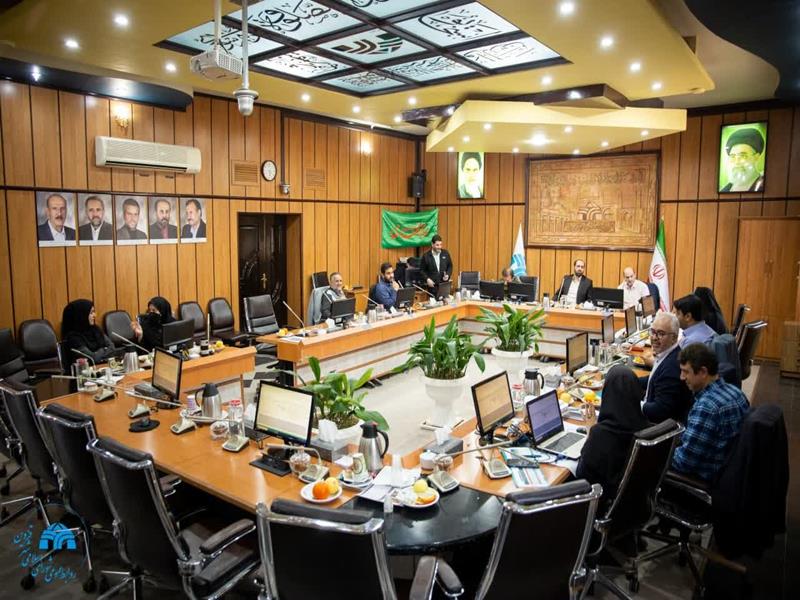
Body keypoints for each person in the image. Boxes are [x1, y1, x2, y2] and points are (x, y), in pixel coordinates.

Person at [671, 343, 749, 481]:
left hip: (706, 477)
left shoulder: (707, 407)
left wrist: (659, 453)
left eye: (686, 372)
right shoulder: (736, 392)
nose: (681, 377)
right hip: (730, 471)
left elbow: (683, 462)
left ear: (703, 372)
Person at [576, 365, 650, 502]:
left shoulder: (600, 435)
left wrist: (590, 431)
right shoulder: (645, 427)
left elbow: (581, 474)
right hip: (631, 501)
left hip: (600, 502)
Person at [638, 312, 694, 423]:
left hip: (655, 425)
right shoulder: (669, 353)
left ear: (674, 338)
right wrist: (628, 380)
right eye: (653, 332)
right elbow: (654, 379)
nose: (654, 338)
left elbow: (659, 411)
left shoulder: (671, 367)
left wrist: (633, 404)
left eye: (660, 334)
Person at [61, 299, 117, 369]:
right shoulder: (73, 338)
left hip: (104, 368)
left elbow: (112, 348)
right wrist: (104, 349)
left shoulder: (96, 329)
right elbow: (92, 358)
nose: (95, 315)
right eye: (91, 313)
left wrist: (97, 353)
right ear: (81, 315)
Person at [720, 127, 765, 192]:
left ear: (756, 157)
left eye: (742, 156)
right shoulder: (725, 190)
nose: (737, 162)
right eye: (733, 156)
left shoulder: (763, 185)